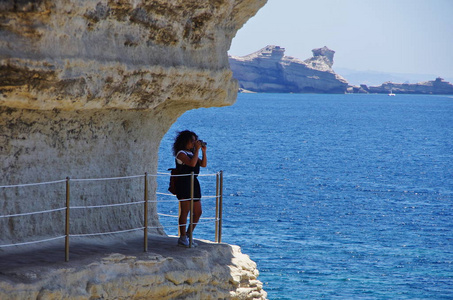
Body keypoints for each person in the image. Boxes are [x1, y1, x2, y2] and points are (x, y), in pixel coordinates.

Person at [172, 130, 207, 247]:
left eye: (195, 140)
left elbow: (203, 164)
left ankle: (188, 235)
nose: (193, 143)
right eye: (192, 141)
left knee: (198, 212)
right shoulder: (181, 154)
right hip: (184, 183)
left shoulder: (192, 153)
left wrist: (203, 151)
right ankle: (182, 237)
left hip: (194, 183)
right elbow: (192, 164)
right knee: (185, 211)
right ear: (185, 141)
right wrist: (197, 150)